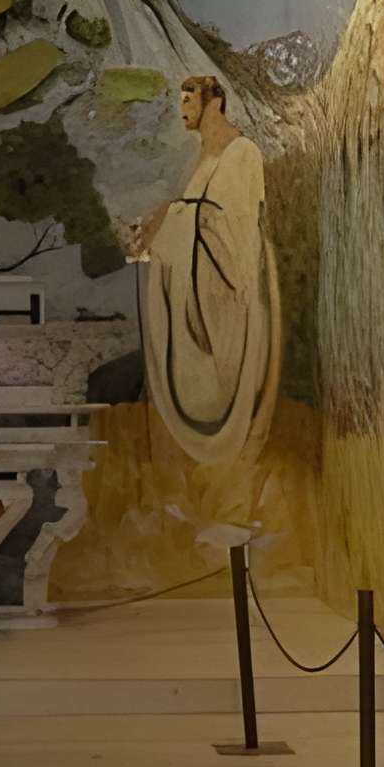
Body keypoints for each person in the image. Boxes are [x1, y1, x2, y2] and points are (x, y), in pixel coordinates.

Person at [128, 75, 283, 471]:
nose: (182, 110)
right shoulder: (204, 156)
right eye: (179, 100)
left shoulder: (242, 153)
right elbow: (196, 217)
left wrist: (169, 215)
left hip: (230, 301)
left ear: (213, 103)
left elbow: (234, 234)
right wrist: (159, 227)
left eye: (188, 100)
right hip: (197, 296)